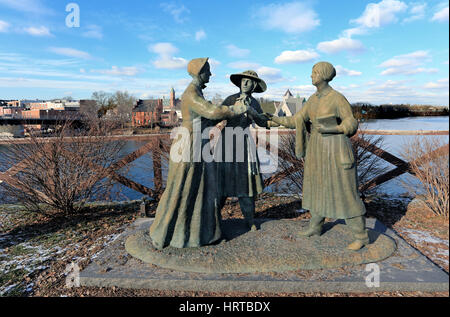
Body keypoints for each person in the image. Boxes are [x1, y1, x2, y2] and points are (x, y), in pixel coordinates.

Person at [265, 61, 369, 251]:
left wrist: (335, 128)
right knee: (317, 187)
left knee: (345, 192)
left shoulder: (337, 98)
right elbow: (296, 120)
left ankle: (361, 236)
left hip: (336, 150)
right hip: (317, 150)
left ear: (323, 74)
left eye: (314, 72)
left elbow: (351, 123)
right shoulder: (312, 100)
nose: (311, 76)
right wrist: (273, 120)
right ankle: (315, 227)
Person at [149, 58, 248, 249]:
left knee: (205, 187)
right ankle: (172, 234)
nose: (210, 74)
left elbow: (206, 118)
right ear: (199, 72)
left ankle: (202, 233)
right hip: (190, 144)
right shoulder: (191, 94)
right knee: (184, 187)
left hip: (198, 142)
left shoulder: (197, 92)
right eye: (208, 71)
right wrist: (236, 109)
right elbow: (211, 112)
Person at [216, 70, 269, 231]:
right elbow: (216, 115)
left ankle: (249, 219)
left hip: (245, 145)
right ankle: (214, 218)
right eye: (244, 80)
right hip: (226, 142)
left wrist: (255, 114)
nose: (246, 83)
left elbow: (263, 122)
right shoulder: (230, 99)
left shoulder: (254, 103)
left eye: (250, 81)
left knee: (246, 182)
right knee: (221, 181)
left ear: (254, 86)